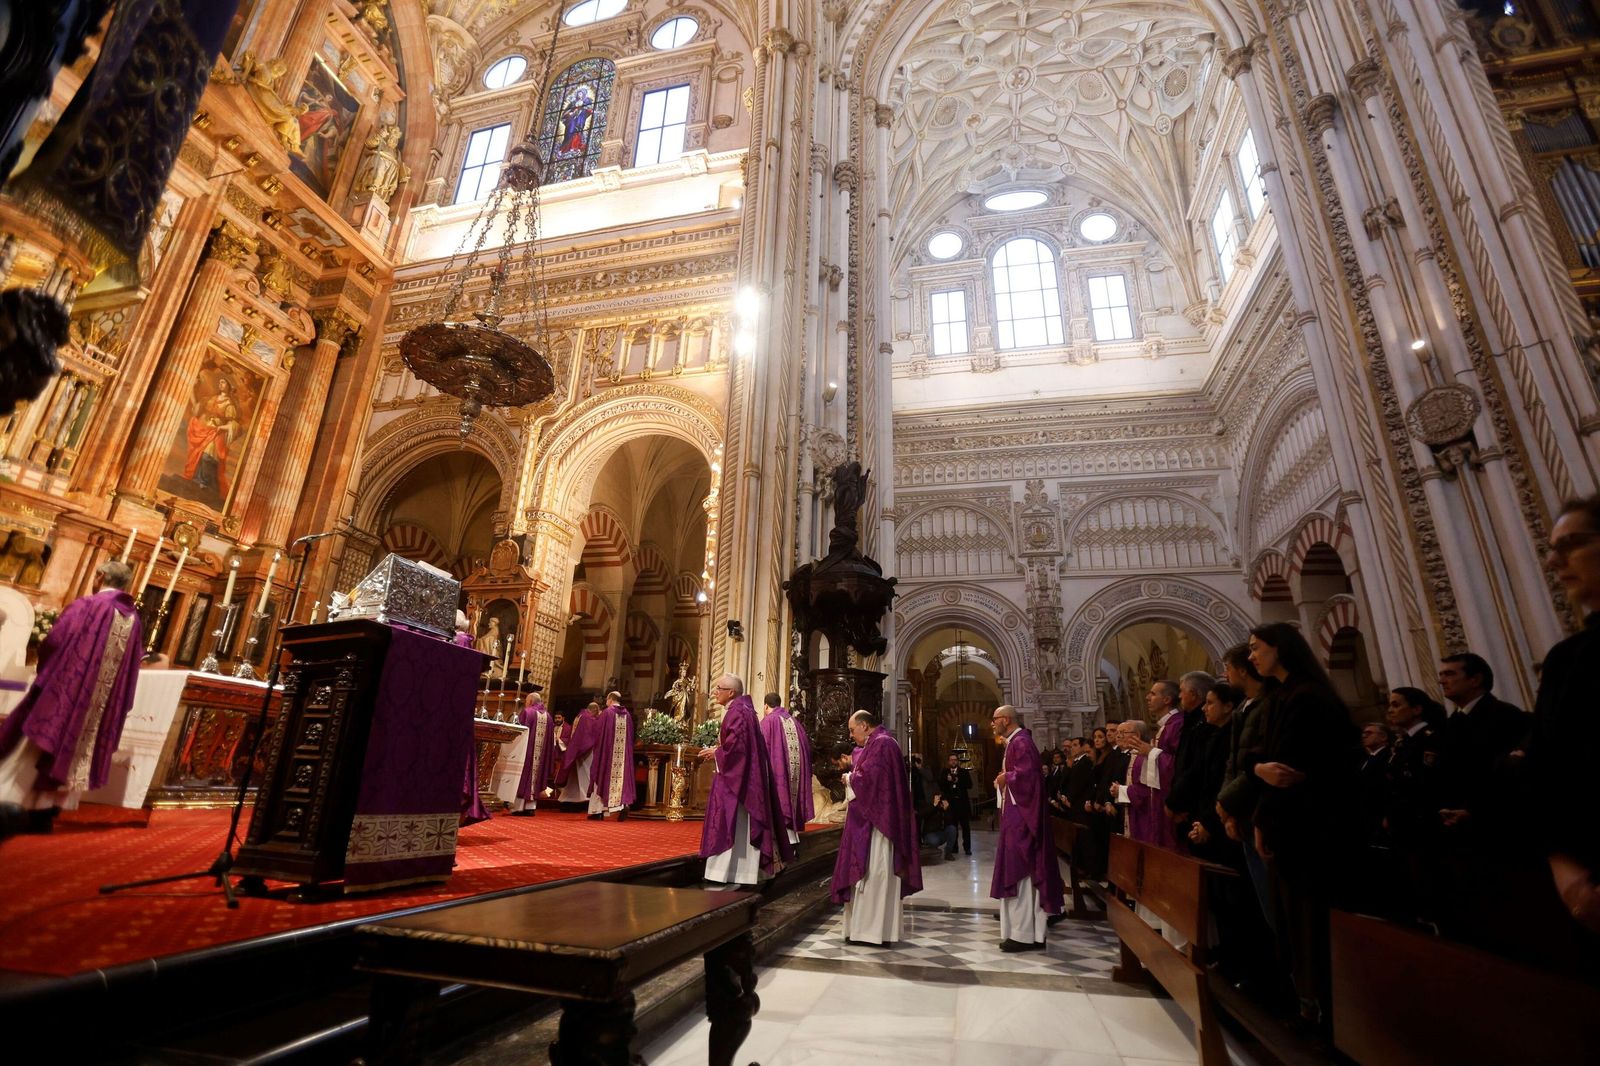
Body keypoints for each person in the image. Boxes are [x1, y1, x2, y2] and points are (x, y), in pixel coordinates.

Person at [1247, 622, 1359, 1031]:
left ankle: (1326, 1013)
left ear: (1281, 649)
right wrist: (1259, 771)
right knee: (1291, 922)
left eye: (1257, 648)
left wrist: (1266, 776)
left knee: (1311, 924)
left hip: (1312, 828)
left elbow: (1291, 766)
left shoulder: (1309, 698)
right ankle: (1307, 1003)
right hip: (1286, 826)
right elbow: (1260, 759)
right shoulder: (1280, 697)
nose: (1252, 656)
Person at [0, 561, 144, 831]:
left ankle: (18, 809)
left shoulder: (88, 605)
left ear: (100, 577)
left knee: (35, 749)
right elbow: (132, 666)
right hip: (97, 706)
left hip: (66, 695)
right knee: (77, 749)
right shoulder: (133, 619)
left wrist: (46, 673)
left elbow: (55, 641)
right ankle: (47, 814)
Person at [1531, 496, 1600, 953]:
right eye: (1551, 549)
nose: (1554, 561)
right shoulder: (1567, 660)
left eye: (1571, 544)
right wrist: (1565, 867)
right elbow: (1547, 772)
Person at [830, 710, 921, 945]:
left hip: (879, 827)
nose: (851, 735)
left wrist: (850, 778)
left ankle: (872, 933)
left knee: (875, 875)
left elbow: (870, 781)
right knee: (874, 876)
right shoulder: (880, 743)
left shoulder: (882, 744)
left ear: (864, 725)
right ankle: (868, 931)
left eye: (852, 730)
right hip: (877, 821)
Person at [699, 675, 791, 887]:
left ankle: (727, 873)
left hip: (738, 782)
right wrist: (719, 750)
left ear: (731, 692)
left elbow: (738, 748)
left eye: (719, 688)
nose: (715, 692)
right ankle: (739, 873)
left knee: (730, 823)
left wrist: (717, 753)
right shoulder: (744, 710)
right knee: (739, 826)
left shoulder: (738, 712)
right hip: (744, 778)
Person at [989, 704, 1065, 951]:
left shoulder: (1021, 742)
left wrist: (1006, 778)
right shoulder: (1015, 742)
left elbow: (1029, 778)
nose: (992, 724)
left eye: (995, 719)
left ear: (1006, 719)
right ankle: (1022, 931)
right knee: (1018, 871)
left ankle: (1024, 934)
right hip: (1016, 815)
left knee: (1021, 871)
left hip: (1022, 819)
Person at [1128, 680, 1182, 849]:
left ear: (1167, 699)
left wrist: (1150, 752)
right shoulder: (1166, 725)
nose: (1147, 697)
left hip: (1172, 797)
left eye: (1153, 694)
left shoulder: (1177, 724)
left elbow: (1178, 763)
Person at [759, 692, 813, 845]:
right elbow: (807, 749)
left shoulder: (768, 721)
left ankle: (782, 840)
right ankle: (792, 839)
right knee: (789, 800)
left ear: (765, 706)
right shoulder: (795, 722)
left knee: (779, 802)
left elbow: (761, 750)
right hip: (795, 774)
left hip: (777, 774)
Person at [589, 690, 636, 821]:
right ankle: (622, 806)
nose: (606, 702)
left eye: (606, 700)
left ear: (610, 699)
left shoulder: (607, 713)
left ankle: (597, 811)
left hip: (607, 754)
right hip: (622, 757)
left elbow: (597, 733)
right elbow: (631, 736)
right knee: (620, 780)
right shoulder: (627, 715)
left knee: (601, 777)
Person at [556, 702, 603, 812]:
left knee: (574, 779)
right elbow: (589, 736)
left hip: (576, 750)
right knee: (585, 776)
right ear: (594, 710)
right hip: (585, 752)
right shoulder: (588, 718)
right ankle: (585, 801)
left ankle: (568, 800)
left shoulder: (580, 715)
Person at [513, 695, 555, 817]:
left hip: (526, 753)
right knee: (536, 777)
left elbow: (520, 733)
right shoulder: (548, 716)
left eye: (526, 701)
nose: (526, 703)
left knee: (524, 777)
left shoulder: (527, 712)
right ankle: (530, 808)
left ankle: (519, 807)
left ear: (530, 701)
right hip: (540, 756)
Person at [938, 752, 973, 855]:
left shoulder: (963, 772)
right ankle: (954, 847)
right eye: (951, 760)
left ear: (957, 761)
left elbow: (969, 784)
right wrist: (947, 780)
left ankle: (967, 848)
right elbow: (940, 785)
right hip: (951, 804)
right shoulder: (945, 772)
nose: (953, 761)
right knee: (953, 827)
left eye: (955, 760)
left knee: (965, 827)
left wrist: (958, 780)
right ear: (949, 761)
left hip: (962, 804)